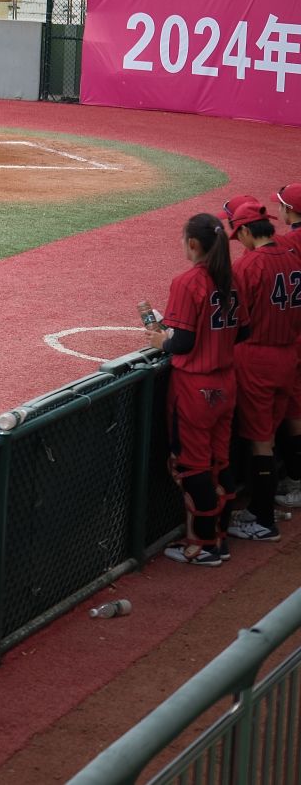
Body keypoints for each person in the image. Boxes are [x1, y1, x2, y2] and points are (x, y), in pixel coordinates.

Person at [142, 212, 242, 566]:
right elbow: (243, 331)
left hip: (196, 389)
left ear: (194, 244)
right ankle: (221, 536)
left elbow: (182, 342)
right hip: (226, 383)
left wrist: (162, 341)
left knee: (192, 467)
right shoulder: (231, 278)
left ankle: (204, 545)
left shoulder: (187, 282)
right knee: (220, 461)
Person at [223, 196, 301, 541]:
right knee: (268, 435)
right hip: (288, 356)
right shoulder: (292, 257)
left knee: (260, 441)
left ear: (244, 231)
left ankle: (262, 519)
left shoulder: (248, 266)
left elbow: (232, 318)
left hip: (256, 360)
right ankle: (263, 508)